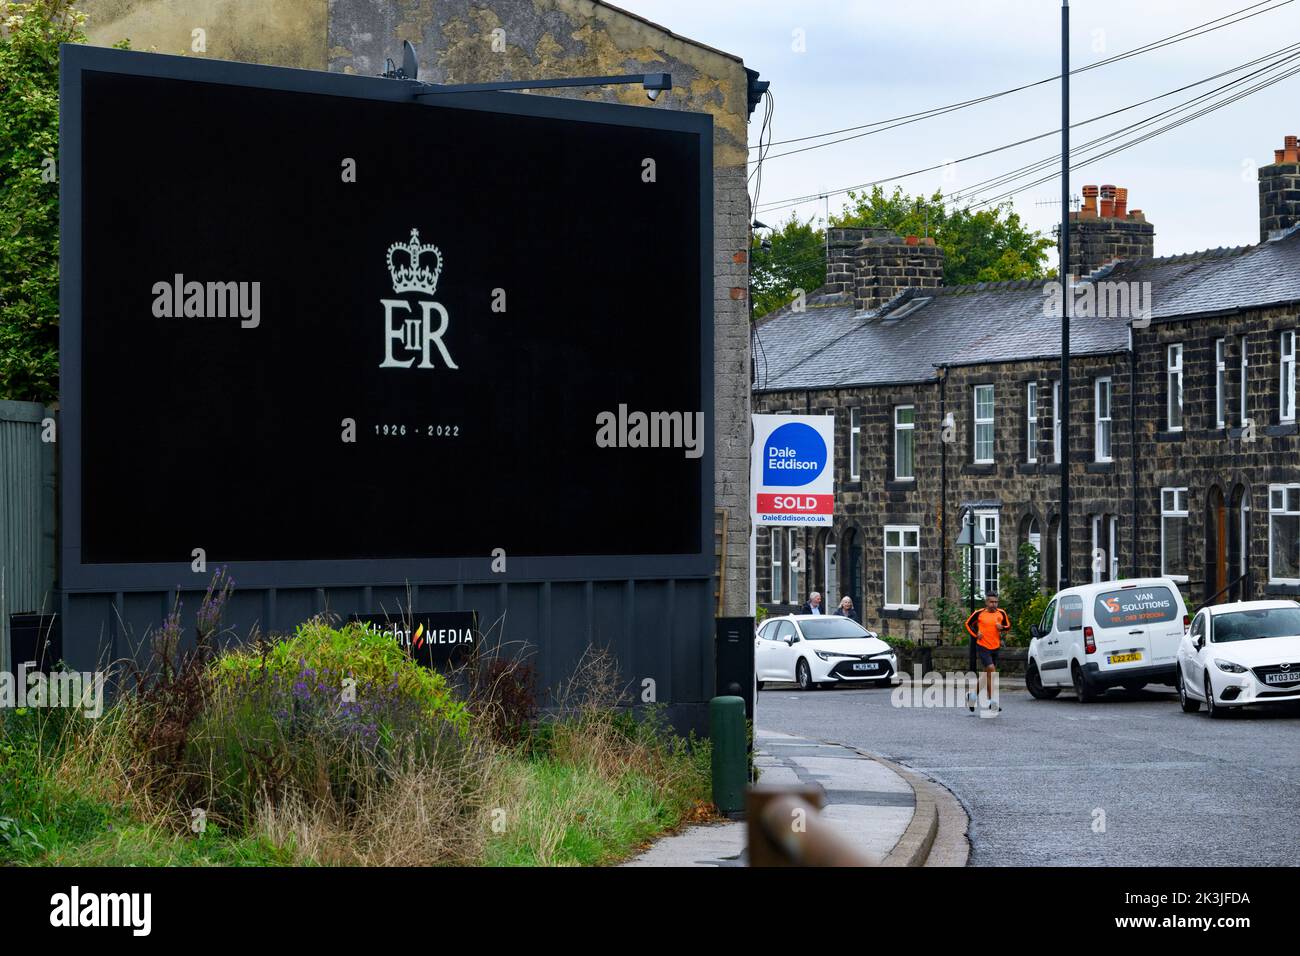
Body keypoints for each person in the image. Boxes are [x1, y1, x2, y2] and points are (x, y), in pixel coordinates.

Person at [964, 593, 1011, 712]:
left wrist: (1002, 628)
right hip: (983, 646)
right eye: (991, 602)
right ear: (986, 602)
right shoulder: (979, 613)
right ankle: (992, 702)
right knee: (991, 670)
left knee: (986, 675)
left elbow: (1008, 626)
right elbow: (968, 624)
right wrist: (976, 634)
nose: (994, 604)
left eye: (996, 602)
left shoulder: (1001, 613)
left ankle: (972, 696)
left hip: (995, 647)